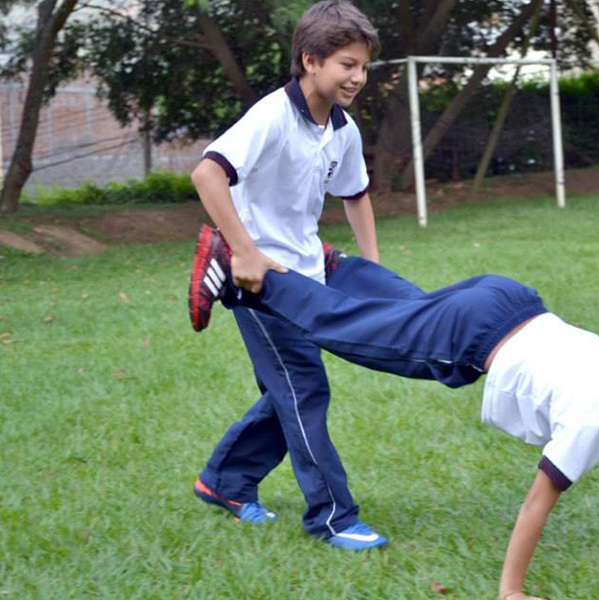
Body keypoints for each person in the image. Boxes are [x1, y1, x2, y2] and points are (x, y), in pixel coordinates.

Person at [189, 225, 599, 600]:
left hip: (511, 298)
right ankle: (245, 274)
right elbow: (537, 503)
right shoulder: (597, 418)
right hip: (475, 336)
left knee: (394, 316)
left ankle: (330, 265)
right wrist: (511, 591)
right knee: (356, 332)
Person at [188, 0, 391, 550]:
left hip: (306, 278)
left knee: (285, 390)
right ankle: (334, 517)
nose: (358, 77)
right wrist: (245, 252)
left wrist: (370, 266)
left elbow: (355, 194)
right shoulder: (272, 115)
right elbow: (208, 173)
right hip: (259, 282)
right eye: (347, 64)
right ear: (310, 60)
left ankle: (223, 482)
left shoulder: (341, 128)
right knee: (303, 389)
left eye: (364, 67)